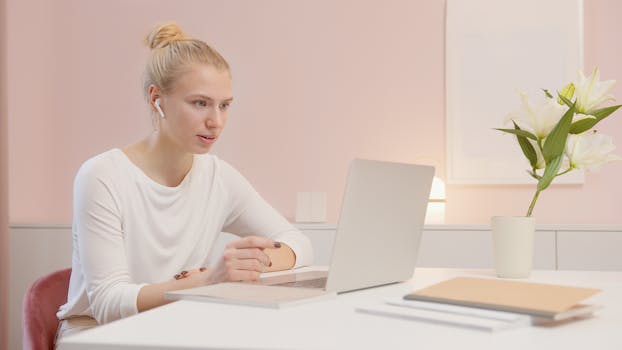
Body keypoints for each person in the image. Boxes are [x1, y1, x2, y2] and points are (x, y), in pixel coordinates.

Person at [54, 22, 313, 345]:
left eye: (225, 105)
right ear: (156, 99)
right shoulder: (102, 176)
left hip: (174, 329)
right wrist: (208, 281)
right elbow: (108, 304)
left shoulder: (218, 177)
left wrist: (250, 265)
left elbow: (298, 243)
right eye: (200, 103)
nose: (215, 121)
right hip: (97, 336)